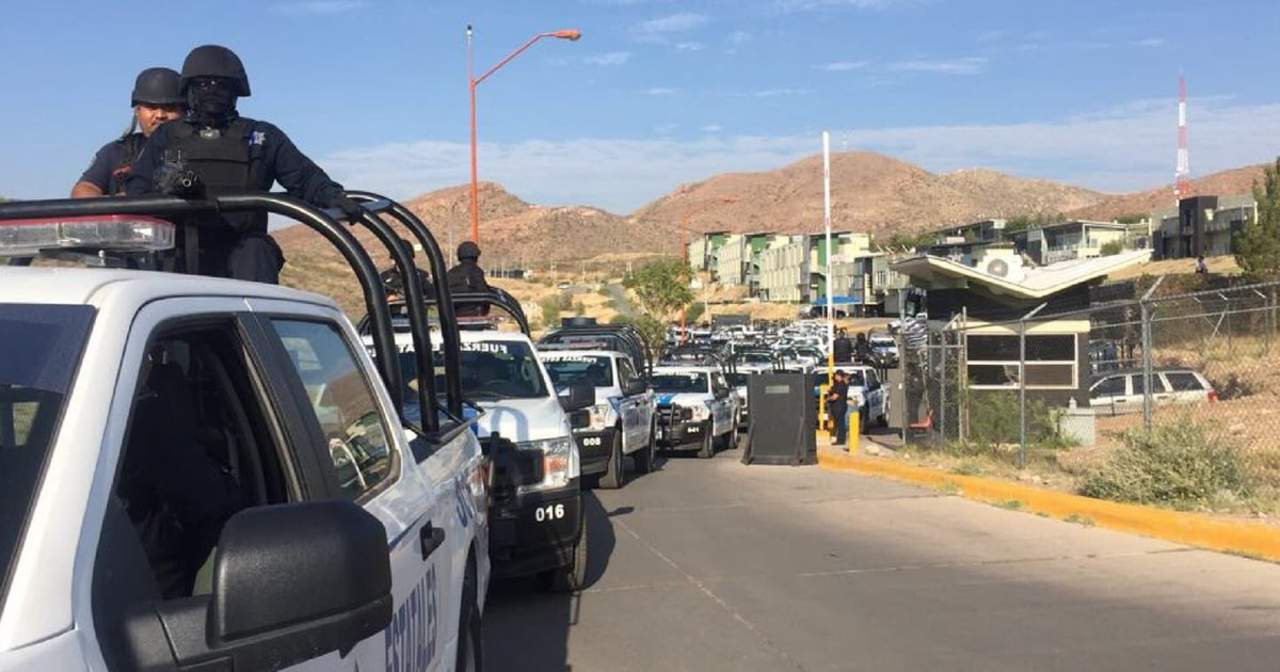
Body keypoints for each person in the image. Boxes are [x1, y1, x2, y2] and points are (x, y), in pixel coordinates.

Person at [127, 45, 364, 284]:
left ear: (235, 91)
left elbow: (305, 178)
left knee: (256, 252)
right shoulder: (167, 136)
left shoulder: (261, 136)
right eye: (203, 84)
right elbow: (138, 193)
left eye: (221, 85)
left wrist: (335, 196)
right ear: (189, 88)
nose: (212, 91)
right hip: (179, 253)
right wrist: (167, 190)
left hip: (243, 251)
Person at [73, 68, 186, 199]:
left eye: (170, 108)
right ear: (137, 111)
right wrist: (122, 203)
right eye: (152, 107)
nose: (160, 115)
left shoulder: (197, 149)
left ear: (184, 112)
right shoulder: (116, 152)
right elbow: (83, 190)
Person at [826, 369, 849, 447]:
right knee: (840, 424)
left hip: (839, 407)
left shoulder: (841, 385)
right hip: (840, 406)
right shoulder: (842, 384)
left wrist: (828, 399)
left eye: (836, 375)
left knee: (840, 424)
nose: (835, 377)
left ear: (839, 376)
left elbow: (835, 397)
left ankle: (841, 440)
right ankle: (840, 440)